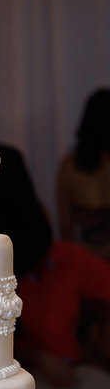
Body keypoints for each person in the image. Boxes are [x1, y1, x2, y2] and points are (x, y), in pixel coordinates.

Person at [0, 146, 110, 389]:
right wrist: (39, 359)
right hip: (23, 369)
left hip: (71, 367)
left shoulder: (67, 259)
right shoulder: (0, 274)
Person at [57, 88, 110, 260]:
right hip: (87, 259)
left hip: (84, 258)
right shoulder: (70, 165)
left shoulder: (69, 165)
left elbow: (65, 228)